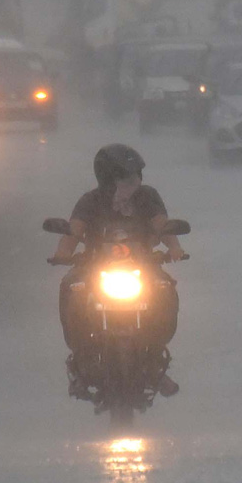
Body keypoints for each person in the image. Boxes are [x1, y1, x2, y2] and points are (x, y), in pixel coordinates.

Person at [51, 143, 187, 399]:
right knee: (69, 287)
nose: (134, 181)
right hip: (93, 269)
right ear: (108, 179)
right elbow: (73, 231)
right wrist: (62, 254)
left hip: (144, 267)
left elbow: (162, 226)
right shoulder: (90, 201)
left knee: (166, 289)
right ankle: (80, 362)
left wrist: (175, 248)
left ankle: (155, 360)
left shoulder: (148, 197)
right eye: (127, 177)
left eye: (136, 176)